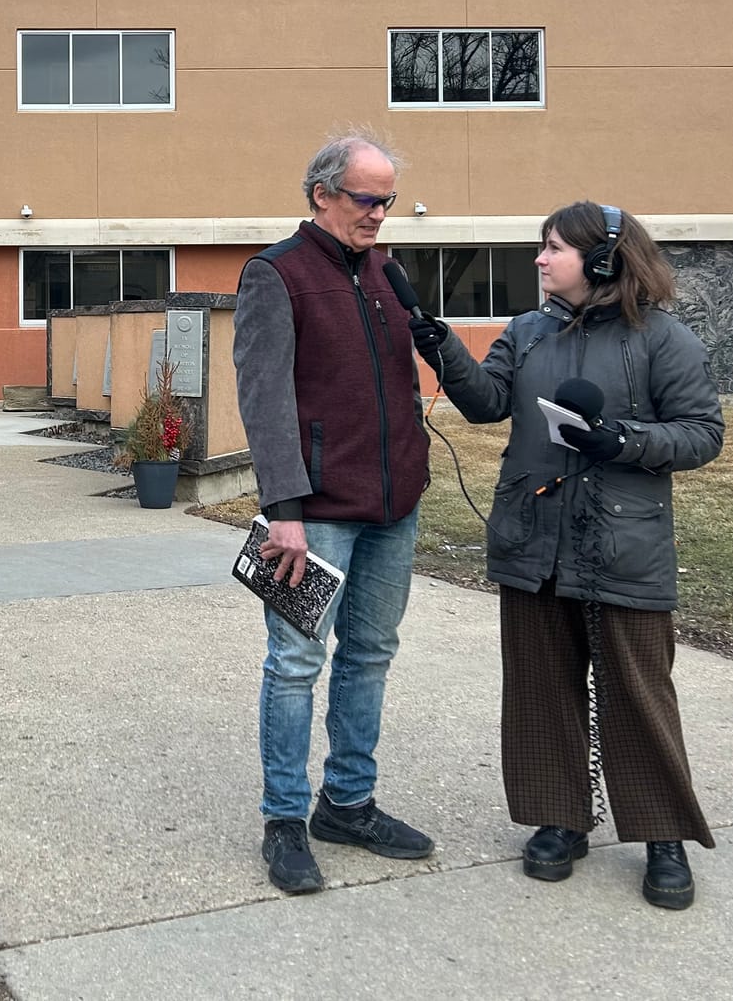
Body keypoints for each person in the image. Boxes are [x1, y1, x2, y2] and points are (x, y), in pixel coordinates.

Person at [407, 202, 723, 910]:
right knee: (541, 688)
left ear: (603, 258)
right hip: (533, 540)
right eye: (541, 248)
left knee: (638, 693)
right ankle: (562, 819)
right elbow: (488, 404)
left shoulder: (663, 339)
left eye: (553, 249)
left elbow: (703, 433)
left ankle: (663, 836)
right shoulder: (527, 331)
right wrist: (442, 346)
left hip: (624, 544)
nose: (541, 260)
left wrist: (624, 442)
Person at [232, 134, 437, 895]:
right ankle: (284, 819)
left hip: (393, 507)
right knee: (294, 664)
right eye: (366, 199)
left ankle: (347, 803)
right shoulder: (274, 274)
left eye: (387, 200)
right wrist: (283, 507)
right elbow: (264, 397)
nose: (380, 214)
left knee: (370, 655)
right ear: (321, 193)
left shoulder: (386, 272)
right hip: (312, 514)